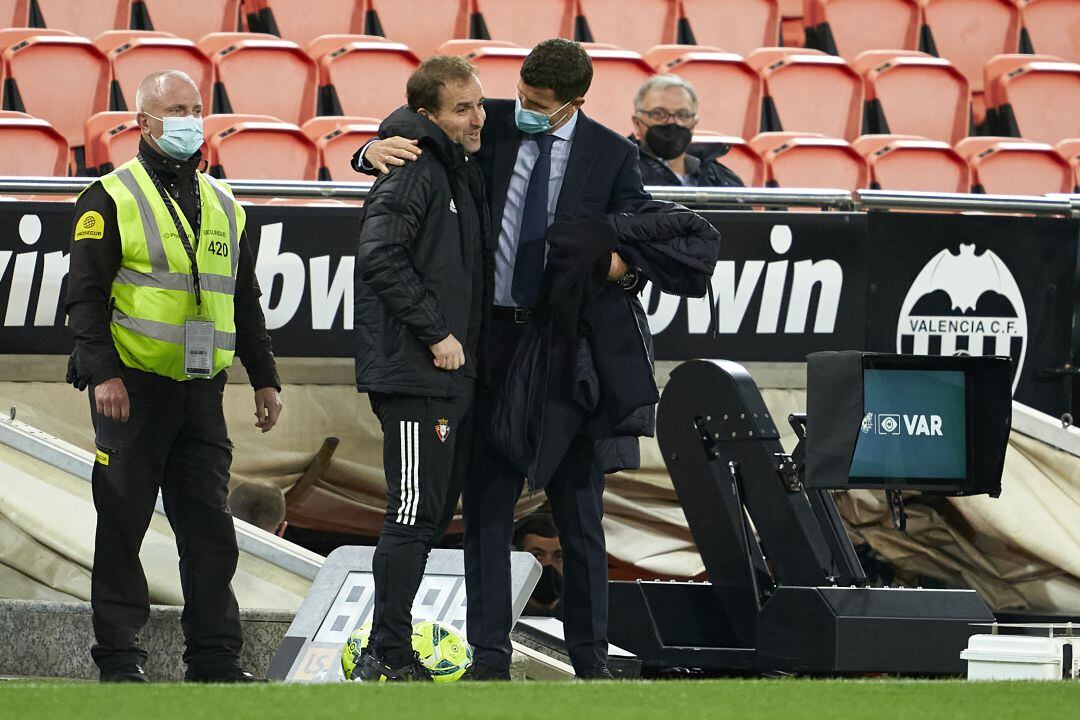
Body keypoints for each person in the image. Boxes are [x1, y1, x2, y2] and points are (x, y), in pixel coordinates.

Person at [359, 38, 718, 681]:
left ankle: (591, 661)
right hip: (489, 344)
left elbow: (639, 239)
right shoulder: (487, 124)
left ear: (573, 103)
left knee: (580, 513)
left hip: (565, 350)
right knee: (487, 511)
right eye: (520, 96)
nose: (520, 110)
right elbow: (421, 119)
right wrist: (368, 148)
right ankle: (489, 659)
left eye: (538, 105)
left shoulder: (610, 156)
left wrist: (624, 270)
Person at [64, 70, 282, 683]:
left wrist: (264, 377)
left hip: (201, 392)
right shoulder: (109, 197)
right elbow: (83, 298)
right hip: (130, 390)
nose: (191, 119)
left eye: (197, 107)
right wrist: (103, 375)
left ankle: (215, 659)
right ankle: (119, 659)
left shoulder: (224, 201)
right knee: (123, 526)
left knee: (210, 530)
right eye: (176, 109)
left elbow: (244, 299)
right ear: (144, 123)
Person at [352, 55, 490, 682]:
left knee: (427, 516)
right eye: (463, 108)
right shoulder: (413, 169)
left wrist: (365, 148)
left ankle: (391, 648)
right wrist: (437, 334)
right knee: (411, 516)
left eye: (479, 104)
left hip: (442, 377)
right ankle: (387, 650)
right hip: (417, 374)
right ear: (427, 114)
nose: (477, 117)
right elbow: (379, 256)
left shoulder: (451, 163)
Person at [630, 74, 744, 188]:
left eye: (683, 114)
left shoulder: (718, 176)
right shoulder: (622, 173)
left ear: (694, 123)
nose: (672, 122)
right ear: (637, 122)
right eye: (658, 113)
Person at [514, 514, 563, 618]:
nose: (549, 564)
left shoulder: (583, 614)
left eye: (558, 556)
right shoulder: (500, 617)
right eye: (537, 555)